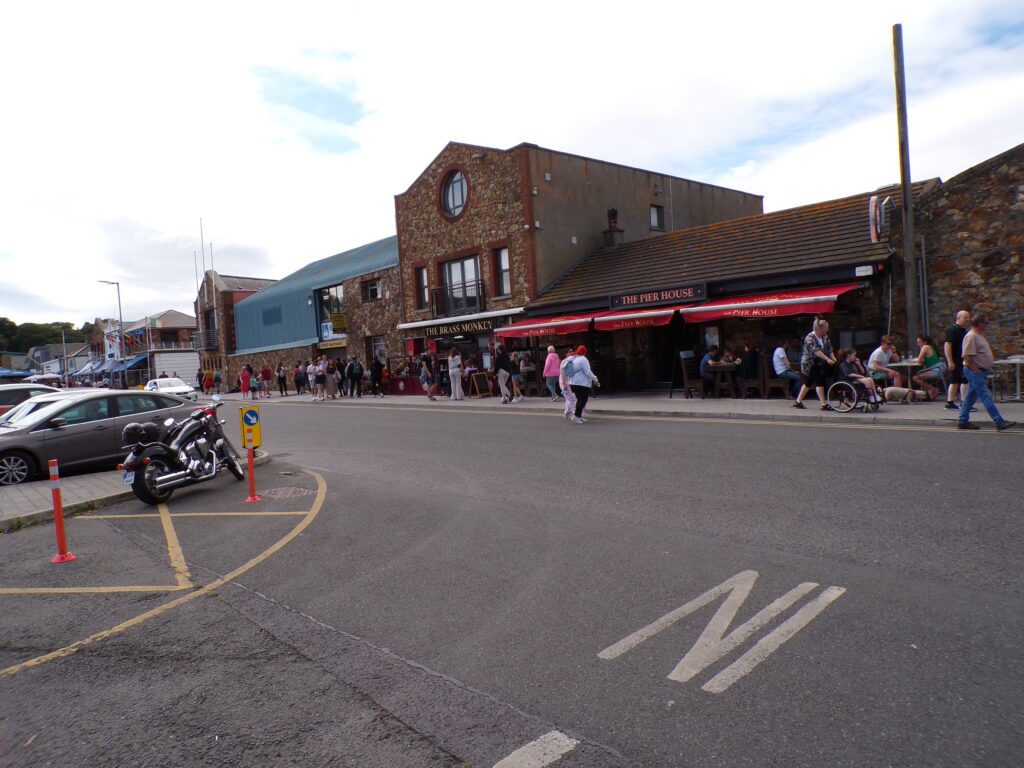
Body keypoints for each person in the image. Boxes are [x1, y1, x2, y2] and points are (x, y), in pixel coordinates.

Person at [958, 315, 1015, 431]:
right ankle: (999, 421)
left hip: (979, 370)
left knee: (970, 397)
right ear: (979, 324)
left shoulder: (978, 335)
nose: (987, 325)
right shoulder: (971, 336)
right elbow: (966, 356)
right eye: (986, 323)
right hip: (974, 371)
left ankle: (963, 421)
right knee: (985, 395)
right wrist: (975, 369)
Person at [793, 317, 836, 410]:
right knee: (819, 380)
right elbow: (816, 351)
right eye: (826, 327)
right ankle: (823, 404)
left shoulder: (825, 336)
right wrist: (828, 359)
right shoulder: (809, 338)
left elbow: (829, 349)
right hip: (809, 364)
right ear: (819, 329)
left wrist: (833, 358)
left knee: (809, 383)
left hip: (819, 363)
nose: (828, 329)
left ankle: (798, 402)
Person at [943, 310, 971, 410]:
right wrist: (950, 361)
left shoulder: (962, 330)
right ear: (958, 318)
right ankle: (964, 403)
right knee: (964, 380)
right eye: (965, 318)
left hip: (960, 359)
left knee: (955, 381)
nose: (967, 320)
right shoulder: (953, 329)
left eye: (968, 318)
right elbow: (947, 345)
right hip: (955, 360)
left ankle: (950, 403)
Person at [567, 345, 599, 424]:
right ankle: (576, 416)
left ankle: (579, 416)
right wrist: (595, 378)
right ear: (585, 352)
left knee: (580, 399)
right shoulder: (583, 359)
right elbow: (587, 372)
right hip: (581, 383)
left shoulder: (574, 358)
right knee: (583, 399)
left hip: (573, 383)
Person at [912, 334, 945, 400]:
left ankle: (933, 389)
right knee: (921, 374)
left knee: (915, 378)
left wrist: (914, 360)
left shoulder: (925, 347)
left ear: (925, 342)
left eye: (919, 342)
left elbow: (919, 361)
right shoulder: (931, 347)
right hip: (940, 367)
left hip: (936, 370)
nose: (918, 344)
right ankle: (929, 393)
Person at [559, 347, 576, 419]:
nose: (572, 352)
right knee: (571, 399)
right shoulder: (564, 361)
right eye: (570, 351)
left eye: (572, 351)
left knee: (568, 398)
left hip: (569, 382)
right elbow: (562, 373)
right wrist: (564, 384)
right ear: (566, 354)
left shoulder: (572, 361)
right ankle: (576, 414)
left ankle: (566, 413)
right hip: (565, 382)